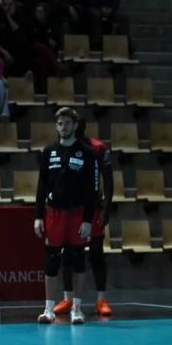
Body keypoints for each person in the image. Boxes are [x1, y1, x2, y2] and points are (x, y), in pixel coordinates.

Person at [34, 107, 97, 325]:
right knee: (52, 260)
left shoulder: (87, 153)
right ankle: (49, 309)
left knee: (78, 259)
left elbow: (92, 190)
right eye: (60, 124)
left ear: (75, 125)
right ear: (56, 126)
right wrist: (38, 216)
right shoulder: (48, 151)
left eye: (68, 123)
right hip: (54, 214)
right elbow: (41, 186)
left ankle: (77, 309)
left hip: (78, 214)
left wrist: (89, 219)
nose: (64, 127)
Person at [53, 118, 113, 318]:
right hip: (70, 210)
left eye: (74, 124)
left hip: (93, 209)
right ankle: (68, 299)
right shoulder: (62, 148)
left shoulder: (98, 148)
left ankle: (101, 300)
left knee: (96, 253)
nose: (70, 128)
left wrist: (106, 209)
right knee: (68, 254)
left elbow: (109, 180)